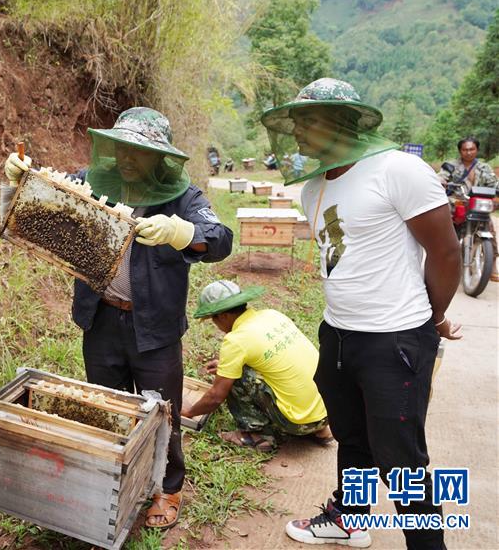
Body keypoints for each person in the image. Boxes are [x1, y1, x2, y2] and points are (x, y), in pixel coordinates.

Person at [3, 107, 233, 529]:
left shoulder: (185, 197)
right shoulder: (90, 180)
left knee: (161, 412)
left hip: (156, 329)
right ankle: (115, 481)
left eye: (139, 152)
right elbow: (45, 194)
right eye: (122, 148)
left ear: (161, 157)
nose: (128, 159)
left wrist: (182, 232)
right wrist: (22, 180)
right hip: (102, 318)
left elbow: (220, 239)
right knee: (107, 407)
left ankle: (167, 488)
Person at [261, 78, 461, 550]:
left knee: (402, 462)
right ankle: (349, 519)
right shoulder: (312, 189)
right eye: (294, 122)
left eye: (307, 120)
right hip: (338, 335)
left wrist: (430, 321)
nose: (296, 131)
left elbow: (446, 253)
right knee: (353, 441)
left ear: (343, 121)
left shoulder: (398, 170)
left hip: (395, 340)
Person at [182, 280, 332, 451]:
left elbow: (216, 396)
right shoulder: (272, 315)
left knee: (235, 378)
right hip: (329, 411)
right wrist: (227, 366)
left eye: (213, 321)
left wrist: (189, 412)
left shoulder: (236, 340)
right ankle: (321, 430)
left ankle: (256, 435)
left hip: (298, 423)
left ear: (222, 316)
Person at [438, 136, 498, 281]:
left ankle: (492, 265)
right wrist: (440, 182)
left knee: (489, 227)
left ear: (476, 150)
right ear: (460, 151)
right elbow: (441, 177)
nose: (469, 152)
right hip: (457, 202)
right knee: (445, 229)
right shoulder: (450, 165)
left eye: (472, 149)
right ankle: (440, 262)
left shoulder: (484, 167)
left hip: (476, 204)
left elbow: (494, 183)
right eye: (465, 149)